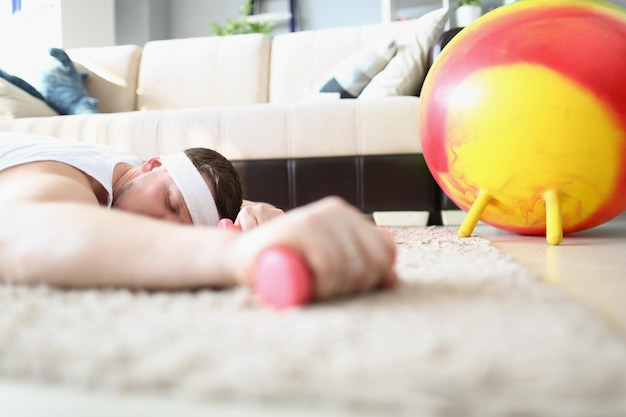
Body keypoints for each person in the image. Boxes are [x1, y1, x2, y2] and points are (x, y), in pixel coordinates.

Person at [0, 133, 396, 301]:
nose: (161, 229)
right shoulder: (67, 176)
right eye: (171, 206)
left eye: (181, 224)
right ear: (151, 163)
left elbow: (189, 195)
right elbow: (22, 234)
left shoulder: (128, 174)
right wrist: (234, 254)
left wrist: (255, 215)